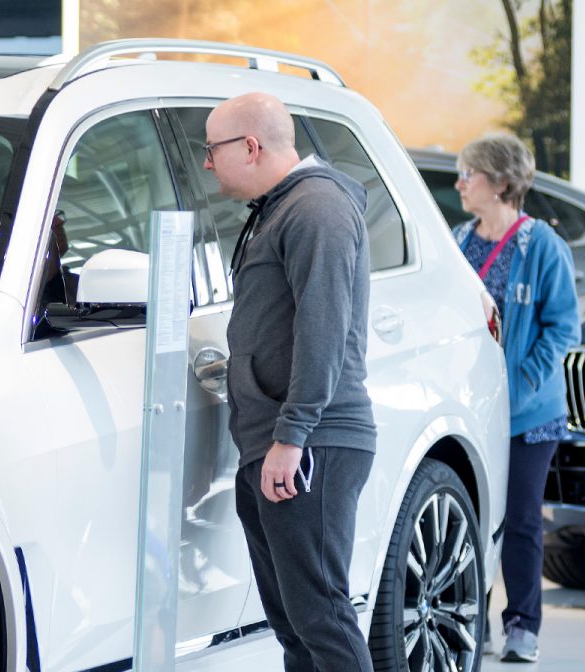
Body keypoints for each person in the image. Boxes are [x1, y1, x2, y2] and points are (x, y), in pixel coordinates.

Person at [206, 92, 378, 672]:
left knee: (321, 617)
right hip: (278, 439)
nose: (208, 163)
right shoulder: (281, 209)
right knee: (294, 626)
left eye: (213, 149)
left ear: (250, 146)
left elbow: (323, 326)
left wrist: (293, 435)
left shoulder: (316, 209)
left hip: (312, 441)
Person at [448, 133, 579, 663]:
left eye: (469, 174)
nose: (460, 184)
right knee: (469, 516)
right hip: (470, 409)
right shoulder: (459, 240)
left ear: (501, 183)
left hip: (529, 415)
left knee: (521, 520)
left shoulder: (542, 244)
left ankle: (522, 624)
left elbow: (563, 327)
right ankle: (468, 618)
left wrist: (520, 384)